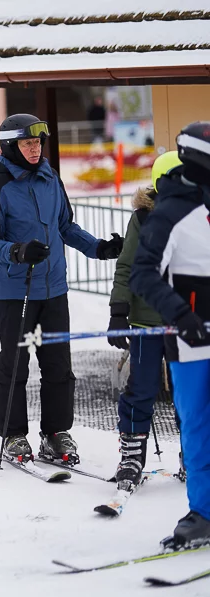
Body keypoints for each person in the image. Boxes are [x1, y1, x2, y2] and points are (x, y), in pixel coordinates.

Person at [0, 114, 123, 465]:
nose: (34, 149)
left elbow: (65, 226)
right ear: (11, 146)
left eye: (38, 143)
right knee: (15, 364)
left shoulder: (49, 177)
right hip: (16, 291)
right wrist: (17, 251)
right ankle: (14, 434)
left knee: (58, 365)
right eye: (27, 144)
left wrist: (97, 247)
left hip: (54, 288)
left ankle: (55, 432)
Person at [130, 121, 210, 550]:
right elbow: (142, 274)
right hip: (191, 341)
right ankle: (203, 513)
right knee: (199, 426)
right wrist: (180, 312)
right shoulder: (172, 212)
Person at [107, 151, 183, 491]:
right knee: (141, 388)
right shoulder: (143, 218)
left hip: (186, 319)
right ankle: (132, 455)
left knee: (189, 391)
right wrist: (118, 310)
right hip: (145, 321)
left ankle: (193, 454)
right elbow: (127, 265)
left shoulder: (198, 215)